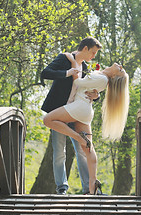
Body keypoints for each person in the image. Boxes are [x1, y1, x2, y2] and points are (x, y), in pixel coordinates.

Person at [43, 52, 130, 194]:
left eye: (120, 69)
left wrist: (72, 63)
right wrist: (96, 94)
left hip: (76, 109)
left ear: (114, 76)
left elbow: (79, 82)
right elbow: (89, 85)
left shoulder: (100, 76)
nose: (119, 65)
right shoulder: (95, 71)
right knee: (85, 149)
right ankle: (91, 186)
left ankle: (84, 185)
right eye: (93, 52)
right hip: (76, 109)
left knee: (49, 121)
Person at [41, 37, 102, 195]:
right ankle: (62, 188)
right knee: (59, 151)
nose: (93, 56)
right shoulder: (64, 59)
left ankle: (88, 189)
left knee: (83, 149)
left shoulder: (86, 66)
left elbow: (88, 88)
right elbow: (45, 73)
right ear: (86, 48)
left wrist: (96, 96)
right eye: (93, 52)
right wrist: (67, 73)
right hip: (59, 113)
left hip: (76, 114)